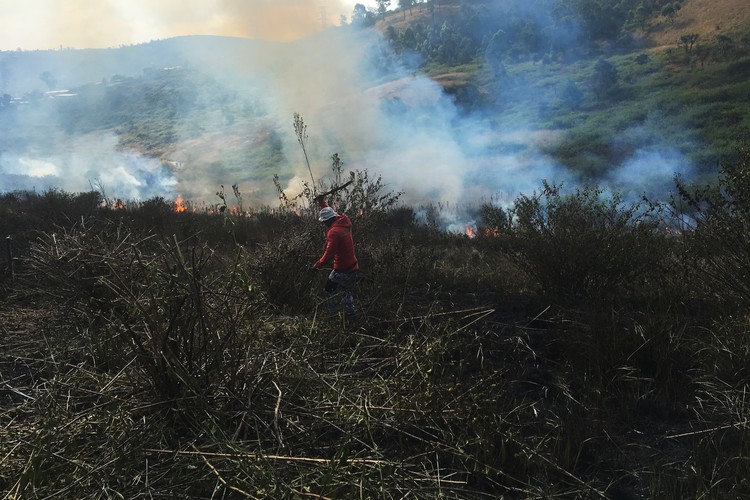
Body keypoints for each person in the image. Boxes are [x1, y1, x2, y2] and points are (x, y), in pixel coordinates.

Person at [312, 196, 359, 317]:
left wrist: (318, 265)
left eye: (324, 222)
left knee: (329, 291)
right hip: (353, 266)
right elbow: (330, 212)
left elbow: (329, 254)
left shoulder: (333, 233)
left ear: (327, 221)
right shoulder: (344, 221)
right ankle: (351, 315)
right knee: (346, 291)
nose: (324, 224)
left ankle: (333, 314)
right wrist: (322, 202)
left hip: (342, 269)